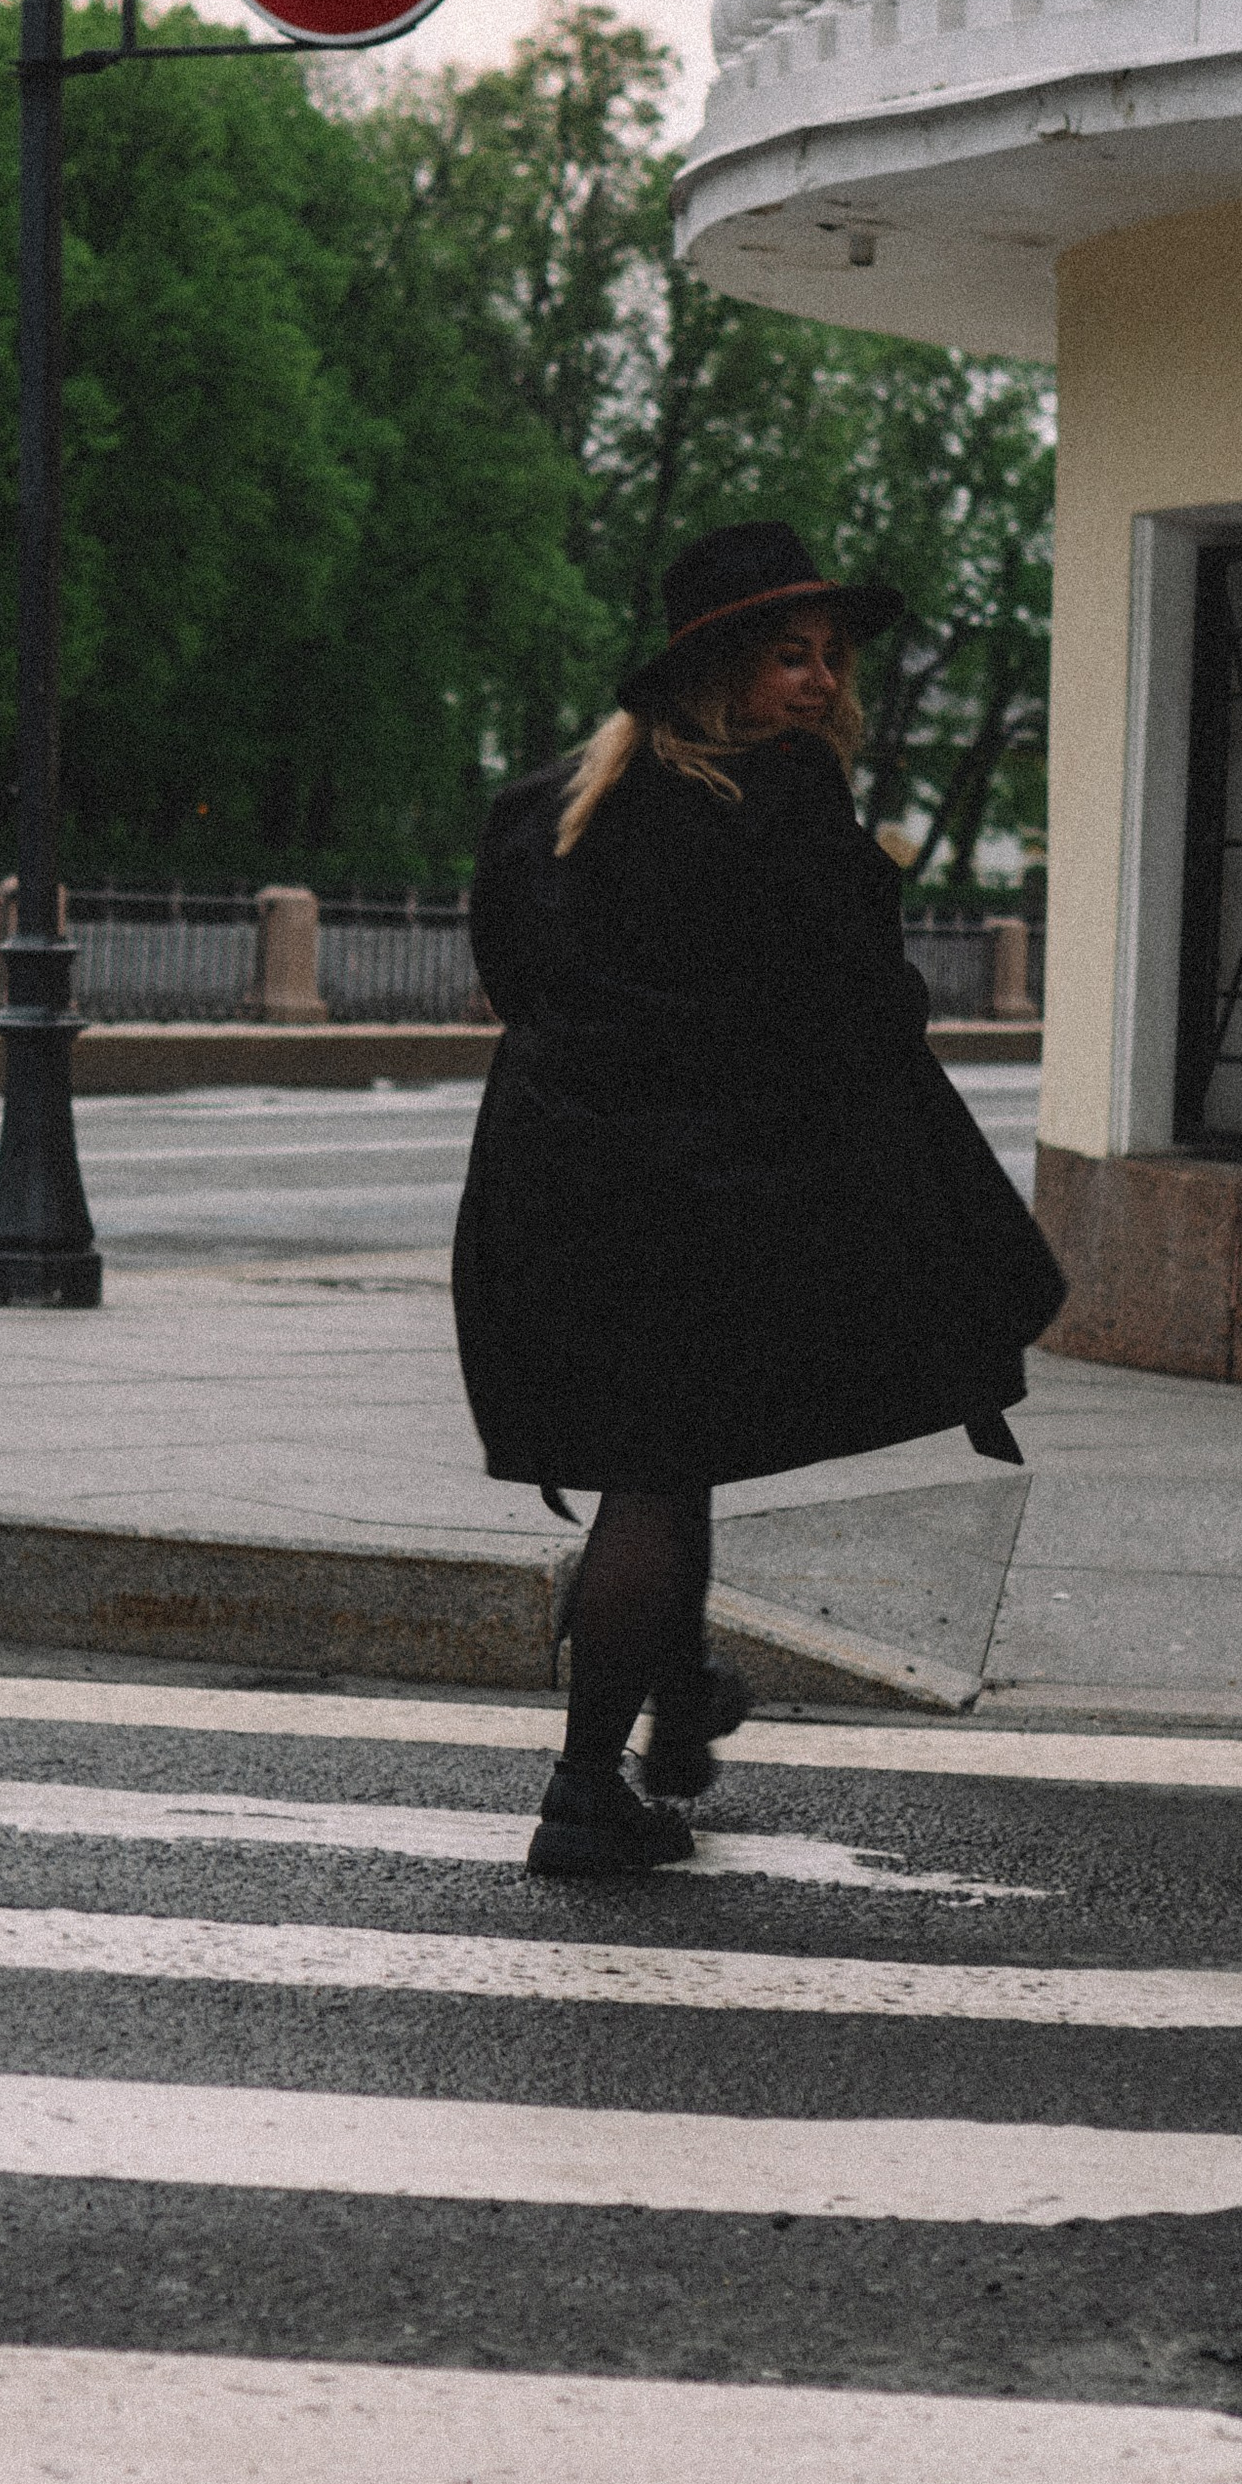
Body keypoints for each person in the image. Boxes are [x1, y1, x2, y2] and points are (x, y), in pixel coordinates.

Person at [452, 519, 1068, 1877]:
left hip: (550, 1181)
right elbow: (867, 1006)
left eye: (831, 657)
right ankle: (582, 1792)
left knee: (664, 1454)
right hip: (692, 1191)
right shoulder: (780, 803)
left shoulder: (553, 805)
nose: (819, 681)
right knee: (657, 1473)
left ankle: (676, 1702)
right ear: (719, 667)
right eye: (791, 654)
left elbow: (510, 979)